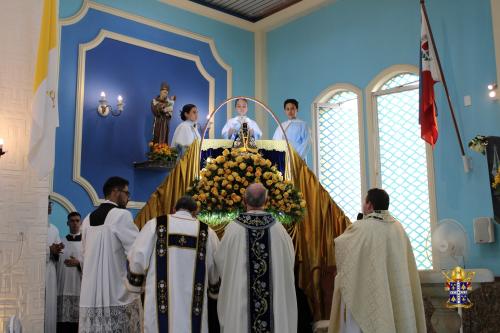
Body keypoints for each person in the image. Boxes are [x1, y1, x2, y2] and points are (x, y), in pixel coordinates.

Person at [328, 188, 426, 333]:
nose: (363, 205)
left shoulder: (362, 228)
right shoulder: (398, 228)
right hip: (396, 292)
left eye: (364, 201)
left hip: (368, 293)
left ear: (369, 205)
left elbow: (342, 247)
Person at [127, 196, 220, 333]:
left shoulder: (156, 225)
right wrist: (214, 289)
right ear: (195, 212)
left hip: (160, 304)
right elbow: (215, 268)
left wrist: (135, 285)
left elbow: (138, 257)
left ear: (174, 209)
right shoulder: (207, 232)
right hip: (195, 306)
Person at [216, 183, 297, 333]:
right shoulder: (279, 230)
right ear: (267, 202)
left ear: (244, 201)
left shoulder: (233, 229)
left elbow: (221, 263)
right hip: (274, 312)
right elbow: (289, 262)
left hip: (240, 313)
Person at [78, 177, 141, 333]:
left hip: (90, 293)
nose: (129, 197)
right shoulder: (121, 215)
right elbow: (137, 252)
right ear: (115, 192)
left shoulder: (87, 219)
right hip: (114, 290)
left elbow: (83, 256)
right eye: (126, 193)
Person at [57, 212, 82, 333]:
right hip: (63, 288)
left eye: (77, 221)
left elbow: (93, 265)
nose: (75, 224)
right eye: (72, 221)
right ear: (67, 223)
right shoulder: (61, 243)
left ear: (81, 223)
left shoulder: (86, 244)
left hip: (80, 289)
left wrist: (79, 263)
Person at [46, 199, 63, 333]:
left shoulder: (54, 229)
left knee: (49, 304)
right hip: (37, 270)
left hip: (50, 269)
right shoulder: (34, 227)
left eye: (50, 204)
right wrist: (48, 250)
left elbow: (58, 253)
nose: (50, 206)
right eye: (47, 203)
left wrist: (57, 250)